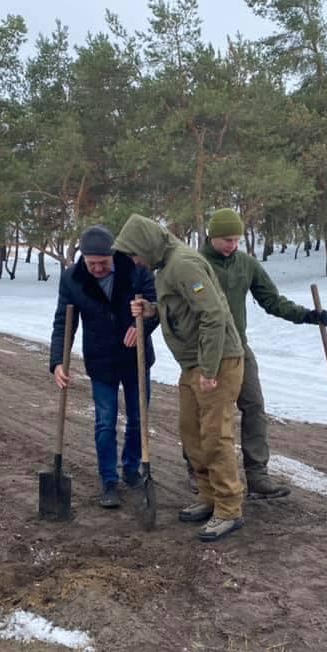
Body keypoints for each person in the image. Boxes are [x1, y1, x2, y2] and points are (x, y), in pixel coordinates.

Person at [114, 214, 246, 543]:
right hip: (192, 364)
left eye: (134, 254)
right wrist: (152, 311)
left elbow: (213, 315)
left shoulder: (184, 264)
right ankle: (208, 496)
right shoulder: (165, 267)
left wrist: (210, 370)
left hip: (215, 362)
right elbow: (182, 309)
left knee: (215, 436)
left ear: (145, 245)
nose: (135, 261)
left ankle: (229, 508)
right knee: (192, 434)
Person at [198, 208, 327, 500]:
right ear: (212, 236)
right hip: (204, 351)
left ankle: (257, 475)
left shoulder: (246, 264)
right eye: (226, 239)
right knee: (210, 417)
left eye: (236, 239)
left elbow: (271, 300)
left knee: (254, 406)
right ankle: (203, 476)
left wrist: (307, 315)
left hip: (238, 347)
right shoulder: (195, 264)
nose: (232, 245)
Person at [49, 225, 158, 509]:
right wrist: (58, 361)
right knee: (105, 422)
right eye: (91, 263)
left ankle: (132, 469)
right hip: (101, 359)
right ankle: (108, 481)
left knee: (138, 417)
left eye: (103, 263)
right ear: (83, 259)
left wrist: (144, 325)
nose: (97, 268)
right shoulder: (72, 278)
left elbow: (157, 307)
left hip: (136, 358)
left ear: (114, 255)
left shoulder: (135, 269)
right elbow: (64, 321)